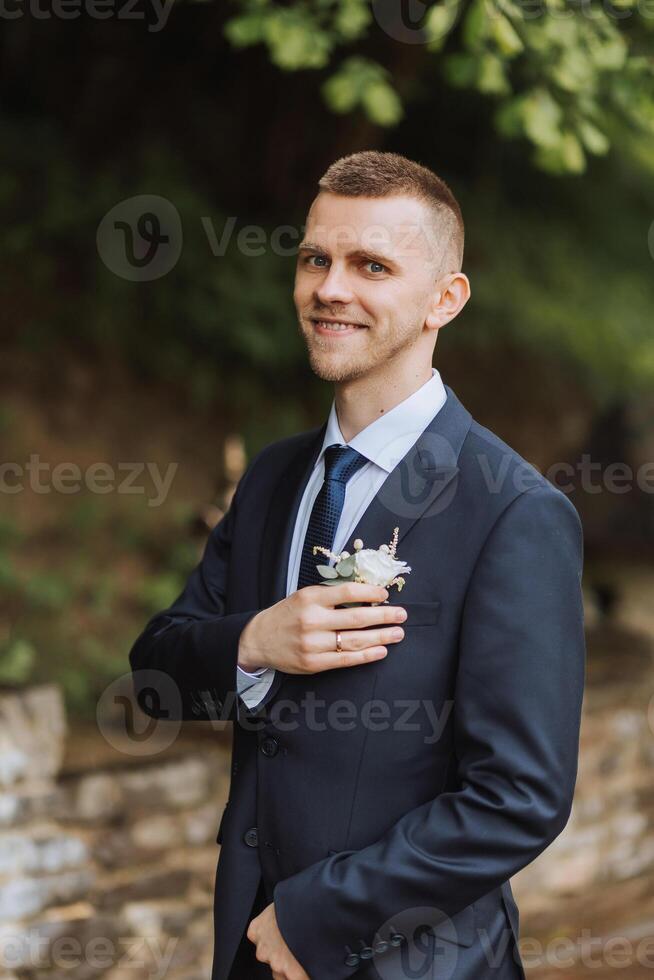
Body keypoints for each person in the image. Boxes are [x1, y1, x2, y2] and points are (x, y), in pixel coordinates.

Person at [129, 150, 586, 980]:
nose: (330, 288)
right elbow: (158, 665)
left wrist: (313, 918)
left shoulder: (515, 512)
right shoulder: (271, 476)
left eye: (371, 265)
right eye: (316, 259)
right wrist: (257, 641)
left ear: (445, 299)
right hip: (247, 945)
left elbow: (518, 799)